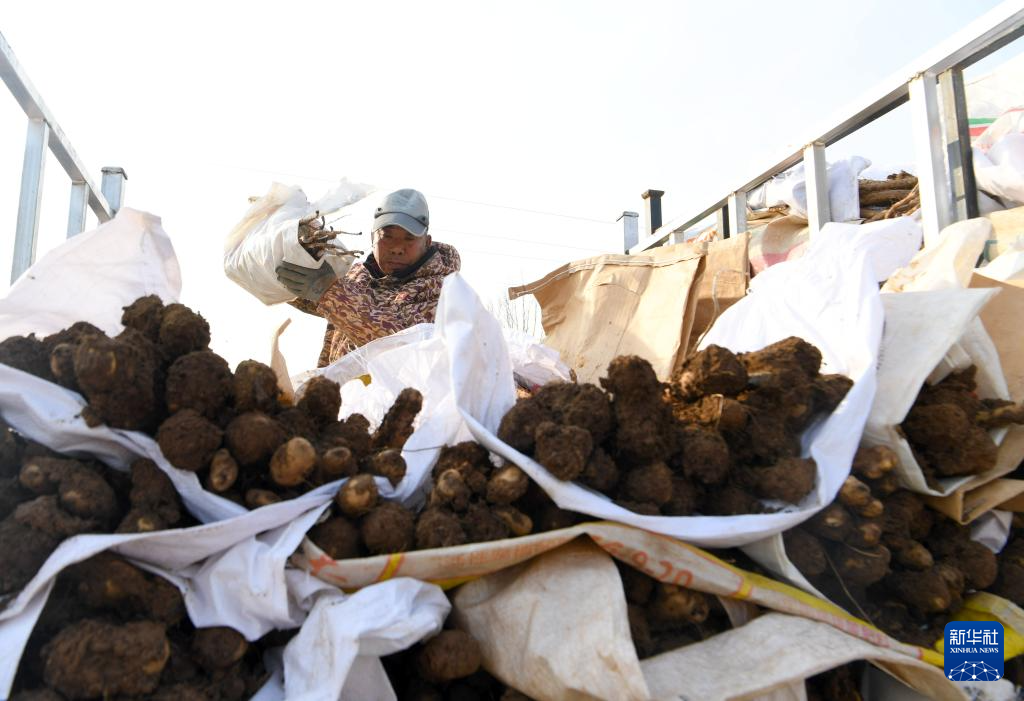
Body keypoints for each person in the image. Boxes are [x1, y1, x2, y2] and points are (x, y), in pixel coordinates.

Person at [276, 189, 461, 366]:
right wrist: (287, 261)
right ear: (372, 238)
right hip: (342, 395)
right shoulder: (358, 276)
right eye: (386, 236)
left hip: (397, 398)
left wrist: (328, 291)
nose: (397, 248)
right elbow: (316, 298)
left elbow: (396, 344)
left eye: (409, 238)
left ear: (427, 242)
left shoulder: (441, 291)